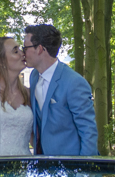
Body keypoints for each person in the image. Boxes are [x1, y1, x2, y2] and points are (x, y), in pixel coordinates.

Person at [22, 23, 98, 156]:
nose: (23, 53)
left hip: (71, 164)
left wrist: (85, 167)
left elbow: (88, 131)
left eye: (25, 48)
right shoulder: (34, 76)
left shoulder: (74, 82)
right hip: (43, 163)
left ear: (39, 49)